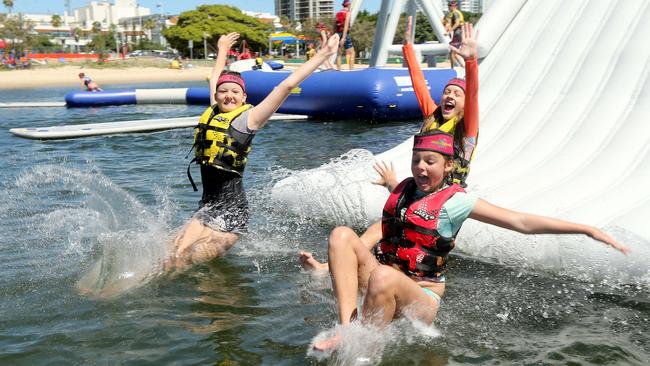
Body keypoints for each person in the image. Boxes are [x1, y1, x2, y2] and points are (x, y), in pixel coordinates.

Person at [310, 129, 631, 351]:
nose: (421, 167)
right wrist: (392, 182)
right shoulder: (406, 186)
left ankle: (367, 349)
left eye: (430, 162)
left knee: (382, 274)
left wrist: (585, 229)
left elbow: (519, 221)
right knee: (341, 234)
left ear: (448, 166)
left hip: (419, 298)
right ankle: (348, 330)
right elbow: (405, 208)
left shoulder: (457, 202)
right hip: (385, 282)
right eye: (416, 160)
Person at [171, 32, 340, 271]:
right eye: (223, 91)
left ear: (244, 97)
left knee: (185, 259)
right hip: (206, 208)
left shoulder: (249, 120)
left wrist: (322, 55)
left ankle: (217, 302)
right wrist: (221, 50)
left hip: (232, 217)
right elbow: (215, 79)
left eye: (235, 92)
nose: (228, 95)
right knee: (172, 253)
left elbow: (287, 85)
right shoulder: (214, 112)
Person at [334, 0, 355, 70]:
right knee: (352, 53)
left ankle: (339, 70)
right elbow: (346, 26)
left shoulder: (338, 13)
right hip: (345, 34)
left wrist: (335, 35)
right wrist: (343, 37)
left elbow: (334, 25)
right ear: (349, 5)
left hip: (338, 33)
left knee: (339, 54)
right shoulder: (347, 13)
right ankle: (351, 71)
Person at [445, 0, 465, 68]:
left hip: (458, 34)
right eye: (448, 6)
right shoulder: (454, 13)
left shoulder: (455, 13)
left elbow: (457, 23)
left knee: (452, 52)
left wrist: (449, 31)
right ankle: (463, 66)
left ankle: (452, 69)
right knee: (455, 53)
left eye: (449, 6)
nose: (448, 7)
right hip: (459, 34)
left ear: (454, 6)